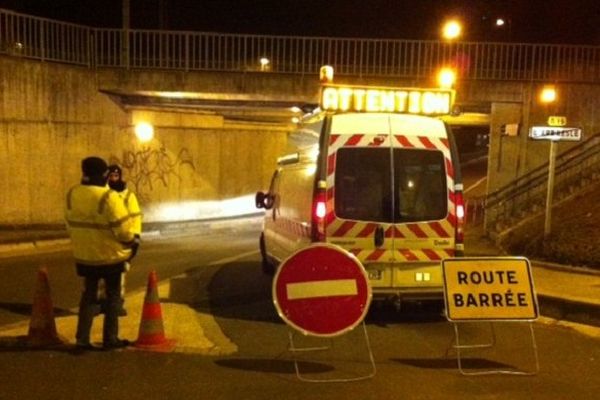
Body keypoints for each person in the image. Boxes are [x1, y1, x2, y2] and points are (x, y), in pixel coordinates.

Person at [65, 156, 137, 350]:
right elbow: (123, 230)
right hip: (109, 257)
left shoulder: (72, 193)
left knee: (88, 295)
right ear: (104, 174)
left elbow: (69, 225)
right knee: (113, 296)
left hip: (84, 257)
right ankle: (110, 339)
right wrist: (132, 242)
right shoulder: (109, 197)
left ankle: (82, 339)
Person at [97, 164, 142, 316]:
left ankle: (117, 303)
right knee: (102, 277)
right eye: (110, 176)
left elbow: (135, 217)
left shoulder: (128, 196)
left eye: (115, 176)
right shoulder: (103, 194)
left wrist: (135, 238)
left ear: (120, 177)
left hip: (122, 241)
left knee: (120, 275)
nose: (113, 179)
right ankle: (103, 303)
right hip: (105, 241)